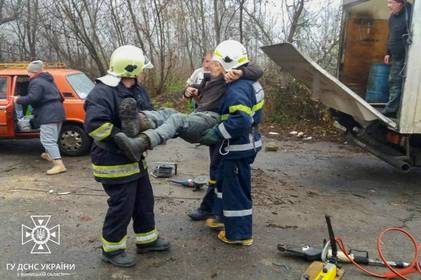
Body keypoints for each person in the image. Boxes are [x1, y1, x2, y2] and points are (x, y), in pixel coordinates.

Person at [84, 45, 170, 268]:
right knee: (121, 206)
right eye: (142, 69)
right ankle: (111, 250)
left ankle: (147, 240)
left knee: (144, 200)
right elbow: (95, 125)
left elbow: (147, 113)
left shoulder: (138, 91)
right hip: (112, 161)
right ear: (131, 69)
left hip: (136, 160)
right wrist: (121, 139)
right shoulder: (102, 92)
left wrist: (150, 132)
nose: (144, 73)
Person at [198, 40, 264, 246]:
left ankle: (239, 234)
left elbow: (241, 121)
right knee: (225, 183)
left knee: (236, 192)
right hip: (236, 147)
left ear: (228, 64)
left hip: (237, 147)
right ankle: (223, 219)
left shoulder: (237, 89)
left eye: (217, 63)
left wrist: (217, 132)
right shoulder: (245, 82)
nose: (213, 66)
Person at [14, 60, 67, 175]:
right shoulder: (49, 80)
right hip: (58, 111)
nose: (28, 74)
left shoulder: (36, 82)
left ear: (34, 72)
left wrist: (18, 99)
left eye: (29, 72)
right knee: (52, 138)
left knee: (47, 139)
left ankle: (59, 165)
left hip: (48, 114)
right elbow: (61, 97)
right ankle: (49, 155)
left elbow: (33, 98)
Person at [382, 0, 412, 118]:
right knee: (393, 81)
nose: (388, 6)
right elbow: (391, 35)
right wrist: (388, 52)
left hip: (406, 56)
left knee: (396, 82)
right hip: (396, 56)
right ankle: (393, 108)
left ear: (400, 3)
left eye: (391, 2)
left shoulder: (409, 14)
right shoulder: (392, 18)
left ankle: (391, 110)